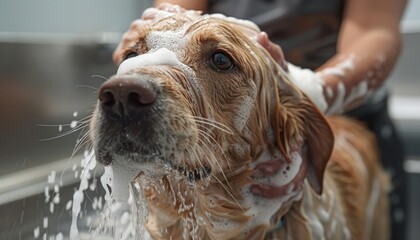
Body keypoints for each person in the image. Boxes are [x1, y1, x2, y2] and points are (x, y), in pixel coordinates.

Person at [113, 0, 408, 239]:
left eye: (220, 59)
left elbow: (373, 30)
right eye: (135, 56)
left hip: (336, 106)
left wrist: (312, 92)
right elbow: (173, 9)